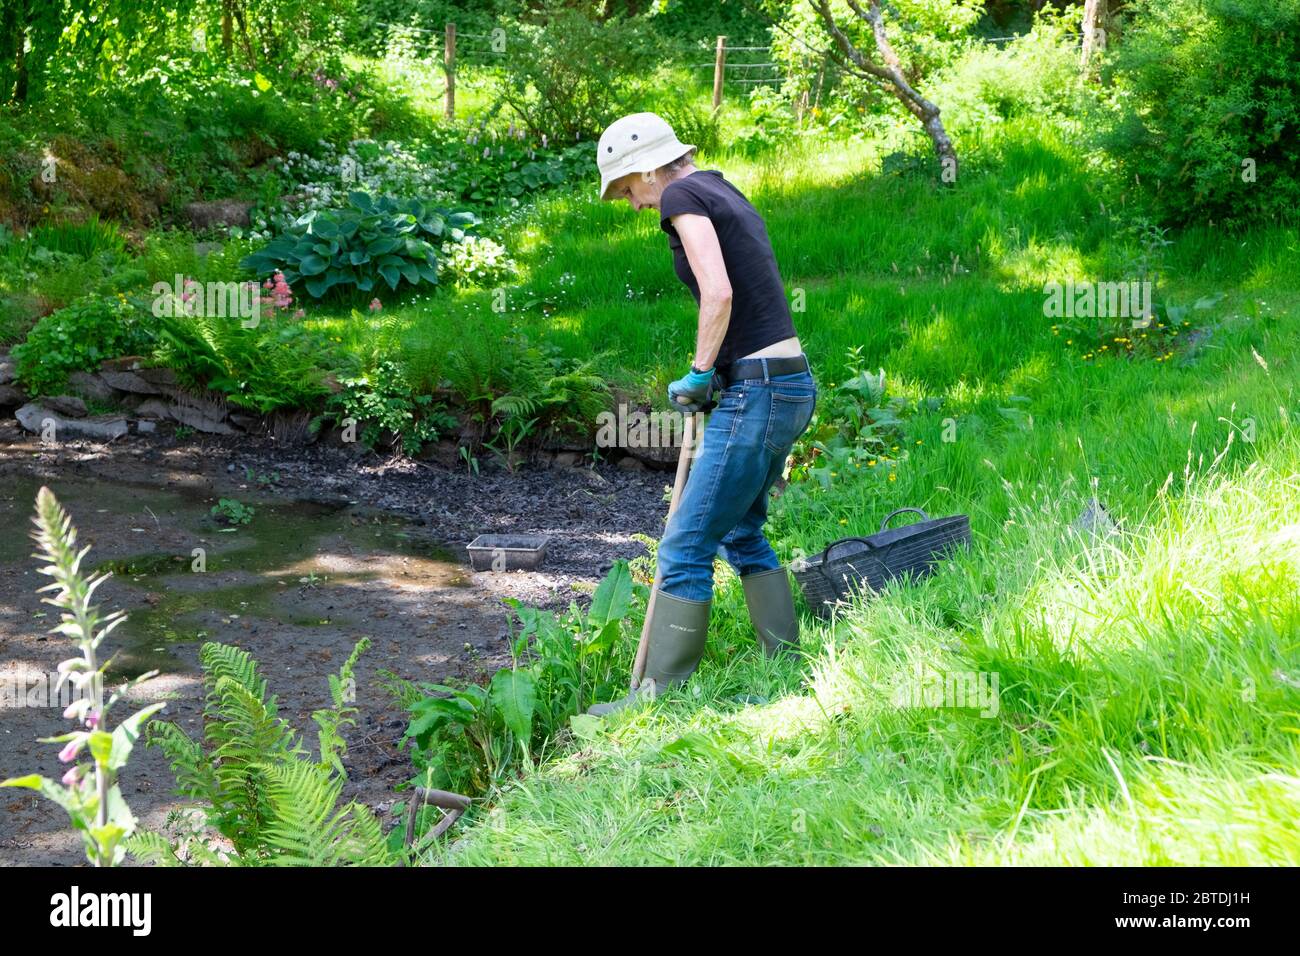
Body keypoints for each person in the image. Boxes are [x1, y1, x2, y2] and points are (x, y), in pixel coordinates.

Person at [588, 112, 817, 716]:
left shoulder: (682, 194)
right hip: (789, 385)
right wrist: (718, 373)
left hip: (760, 391)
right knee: (742, 530)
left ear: (645, 169)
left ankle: (658, 697)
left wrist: (698, 370)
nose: (634, 205)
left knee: (684, 546)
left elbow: (719, 291)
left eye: (627, 190)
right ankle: (788, 668)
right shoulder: (717, 184)